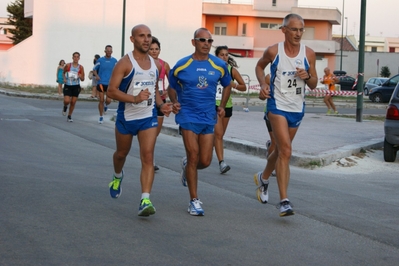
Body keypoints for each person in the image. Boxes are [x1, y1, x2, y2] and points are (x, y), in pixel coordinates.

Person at [254, 13, 318, 217]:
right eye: (294, 29)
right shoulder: (274, 51)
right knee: (287, 151)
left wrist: (307, 76)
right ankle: (284, 201)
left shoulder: (308, 54)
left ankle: (263, 178)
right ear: (284, 30)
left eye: (301, 30)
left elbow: (314, 83)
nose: (298, 34)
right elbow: (259, 66)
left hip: (297, 108)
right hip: (277, 106)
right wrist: (264, 84)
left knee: (282, 151)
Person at [106, 24, 172, 217]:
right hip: (127, 117)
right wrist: (134, 99)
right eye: (141, 36)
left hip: (148, 117)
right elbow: (111, 90)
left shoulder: (156, 64)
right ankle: (117, 176)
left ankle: (145, 199)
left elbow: (154, 92)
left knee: (148, 156)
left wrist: (161, 106)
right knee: (121, 154)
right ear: (132, 39)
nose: (146, 39)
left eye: (149, 36)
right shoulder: (124, 63)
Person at [168, 28, 232, 216]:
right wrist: (174, 102)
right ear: (194, 42)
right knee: (194, 154)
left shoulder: (219, 65)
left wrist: (221, 105)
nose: (206, 43)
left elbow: (227, 84)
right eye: (202, 40)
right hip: (187, 115)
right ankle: (194, 200)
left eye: (209, 41)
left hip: (208, 116)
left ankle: (187, 165)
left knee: (204, 161)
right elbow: (172, 86)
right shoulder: (182, 64)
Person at [214, 45, 247, 174]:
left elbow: (244, 87)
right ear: (216, 56)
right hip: (213, 104)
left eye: (226, 54)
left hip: (227, 105)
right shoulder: (212, 68)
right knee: (218, 134)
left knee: (220, 135)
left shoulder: (231, 70)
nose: (224, 57)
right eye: (221, 54)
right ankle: (222, 162)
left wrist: (234, 85)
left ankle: (197, 153)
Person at [149, 36, 171, 171]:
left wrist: (167, 92)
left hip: (160, 101)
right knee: (148, 132)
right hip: (146, 100)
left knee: (155, 133)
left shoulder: (164, 64)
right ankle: (150, 160)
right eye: (151, 49)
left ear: (160, 51)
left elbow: (173, 81)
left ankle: (150, 156)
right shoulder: (144, 63)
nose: (154, 51)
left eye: (156, 49)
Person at [93, 45, 118, 124]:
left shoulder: (114, 61)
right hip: (101, 82)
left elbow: (118, 70)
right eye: (108, 51)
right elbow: (94, 69)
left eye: (110, 51)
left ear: (112, 52)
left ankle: (106, 106)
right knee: (101, 100)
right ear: (105, 51)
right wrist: (96, 76)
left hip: (110, 83)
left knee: (108, 100)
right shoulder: (100, 60)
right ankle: (101, 116)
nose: (109, 52)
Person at [259, 74, 276, 176]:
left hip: (287, 112)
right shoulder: (269, 77)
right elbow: (261, 96)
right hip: (272, 112)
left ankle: (270, 147)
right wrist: (262, 94)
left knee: (281, 142)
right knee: (275, 141)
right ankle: (271, 167)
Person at [62, 52, 85, 122]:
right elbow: (63, 72)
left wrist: (81, 77)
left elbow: (83, 78)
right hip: (68, 85)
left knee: (73, 102)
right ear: (72, 57)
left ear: (79, 58)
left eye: (77, 57)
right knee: (67, 101)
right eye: (74, 57)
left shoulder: (80, 67)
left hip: (76, 86)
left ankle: (69, 116)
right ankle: (65, 106)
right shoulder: (68, 65)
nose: (76, 58)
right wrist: (64, 78)